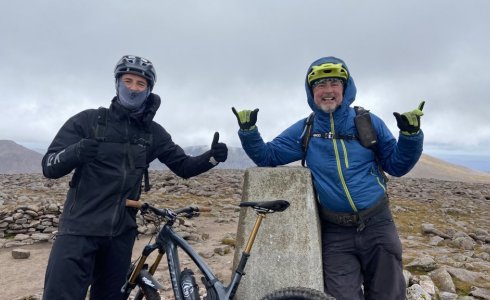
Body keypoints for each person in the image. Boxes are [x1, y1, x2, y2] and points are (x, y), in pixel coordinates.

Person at [232, 56, 424, 300]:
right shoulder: (307, 128)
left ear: (346, 87)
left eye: (334, 83)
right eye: (320, 85)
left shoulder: (367, 122)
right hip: (336, 232)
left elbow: (397, 165)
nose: (328, 91)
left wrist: (410, 136)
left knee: (388, 294)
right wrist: (249, 132)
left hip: (378, 223)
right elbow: (268, 156)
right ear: (311, 92)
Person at [41, 55, 228, 300]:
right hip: (78, 231)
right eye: (127, 81)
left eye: (141, 84)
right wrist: (77, 151)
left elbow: (183, 166)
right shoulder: (89, 121)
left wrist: (212, 158)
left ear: (149, 90)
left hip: (120, 236)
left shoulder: (152, 133)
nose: (133, 88)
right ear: (117, 83)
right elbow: (49, 165)